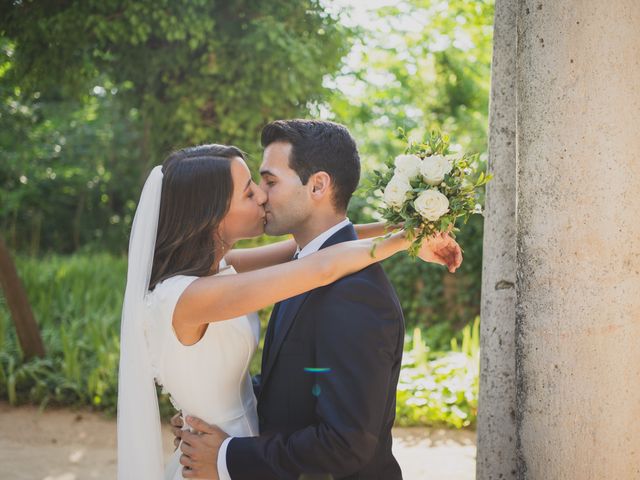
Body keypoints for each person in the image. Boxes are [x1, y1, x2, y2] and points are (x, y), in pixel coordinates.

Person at [165, 120, 462, 480]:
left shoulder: (355, 293)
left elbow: (346, 443)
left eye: (270, 181)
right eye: (253, 187)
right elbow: (293, 383)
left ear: (318, 185)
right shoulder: (300, 266)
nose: (261, 195)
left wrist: (227, 454)